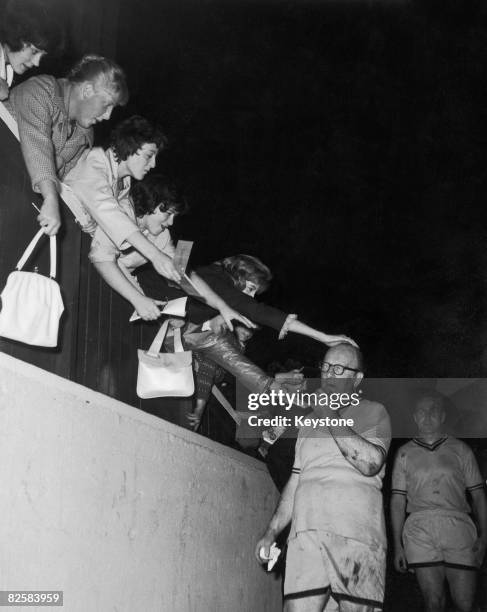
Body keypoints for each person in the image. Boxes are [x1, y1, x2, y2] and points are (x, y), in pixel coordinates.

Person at [65, 119, 250, 328]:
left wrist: (221, 306)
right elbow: (110, 221)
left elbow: (185, 276)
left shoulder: (157, 229)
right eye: (149, 156)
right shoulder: (117, 196)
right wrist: (153, 260)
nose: (153, 164)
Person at [255, 343, 391, 612]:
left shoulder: (374, 411)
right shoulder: (307, 424)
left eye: (339, 369)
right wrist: (271, 531)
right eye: (326, 366)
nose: (329, 374)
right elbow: (295, 483)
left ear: (357, 378)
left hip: (356, 538)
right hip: (306, 537)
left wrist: (328, 413)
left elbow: (370, 463)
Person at [5, 54, 128, 235]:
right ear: (87, 90)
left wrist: (88, 216)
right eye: (106, 105)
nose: (108, 116)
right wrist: (50, 197)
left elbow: (68, 183)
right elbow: (37, 146)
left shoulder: (84, 135)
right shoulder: (40, 91)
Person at [390, 389, 487, 612]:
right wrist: (398, 546)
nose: (427, 415)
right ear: (414, 417)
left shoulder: (461, 450)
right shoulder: (404, 453)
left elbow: (479, 496)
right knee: (433, 603)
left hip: (458, 526)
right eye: (421, 411)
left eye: (433, 410)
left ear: (442, 416)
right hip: (420, 528)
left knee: (464, 604)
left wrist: (484, 537)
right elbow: (397, 502)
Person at [0, 0, 63, 100]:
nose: (36, 63)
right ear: (16, 35)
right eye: (34, 51)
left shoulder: (8, 70)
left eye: (42, 56)